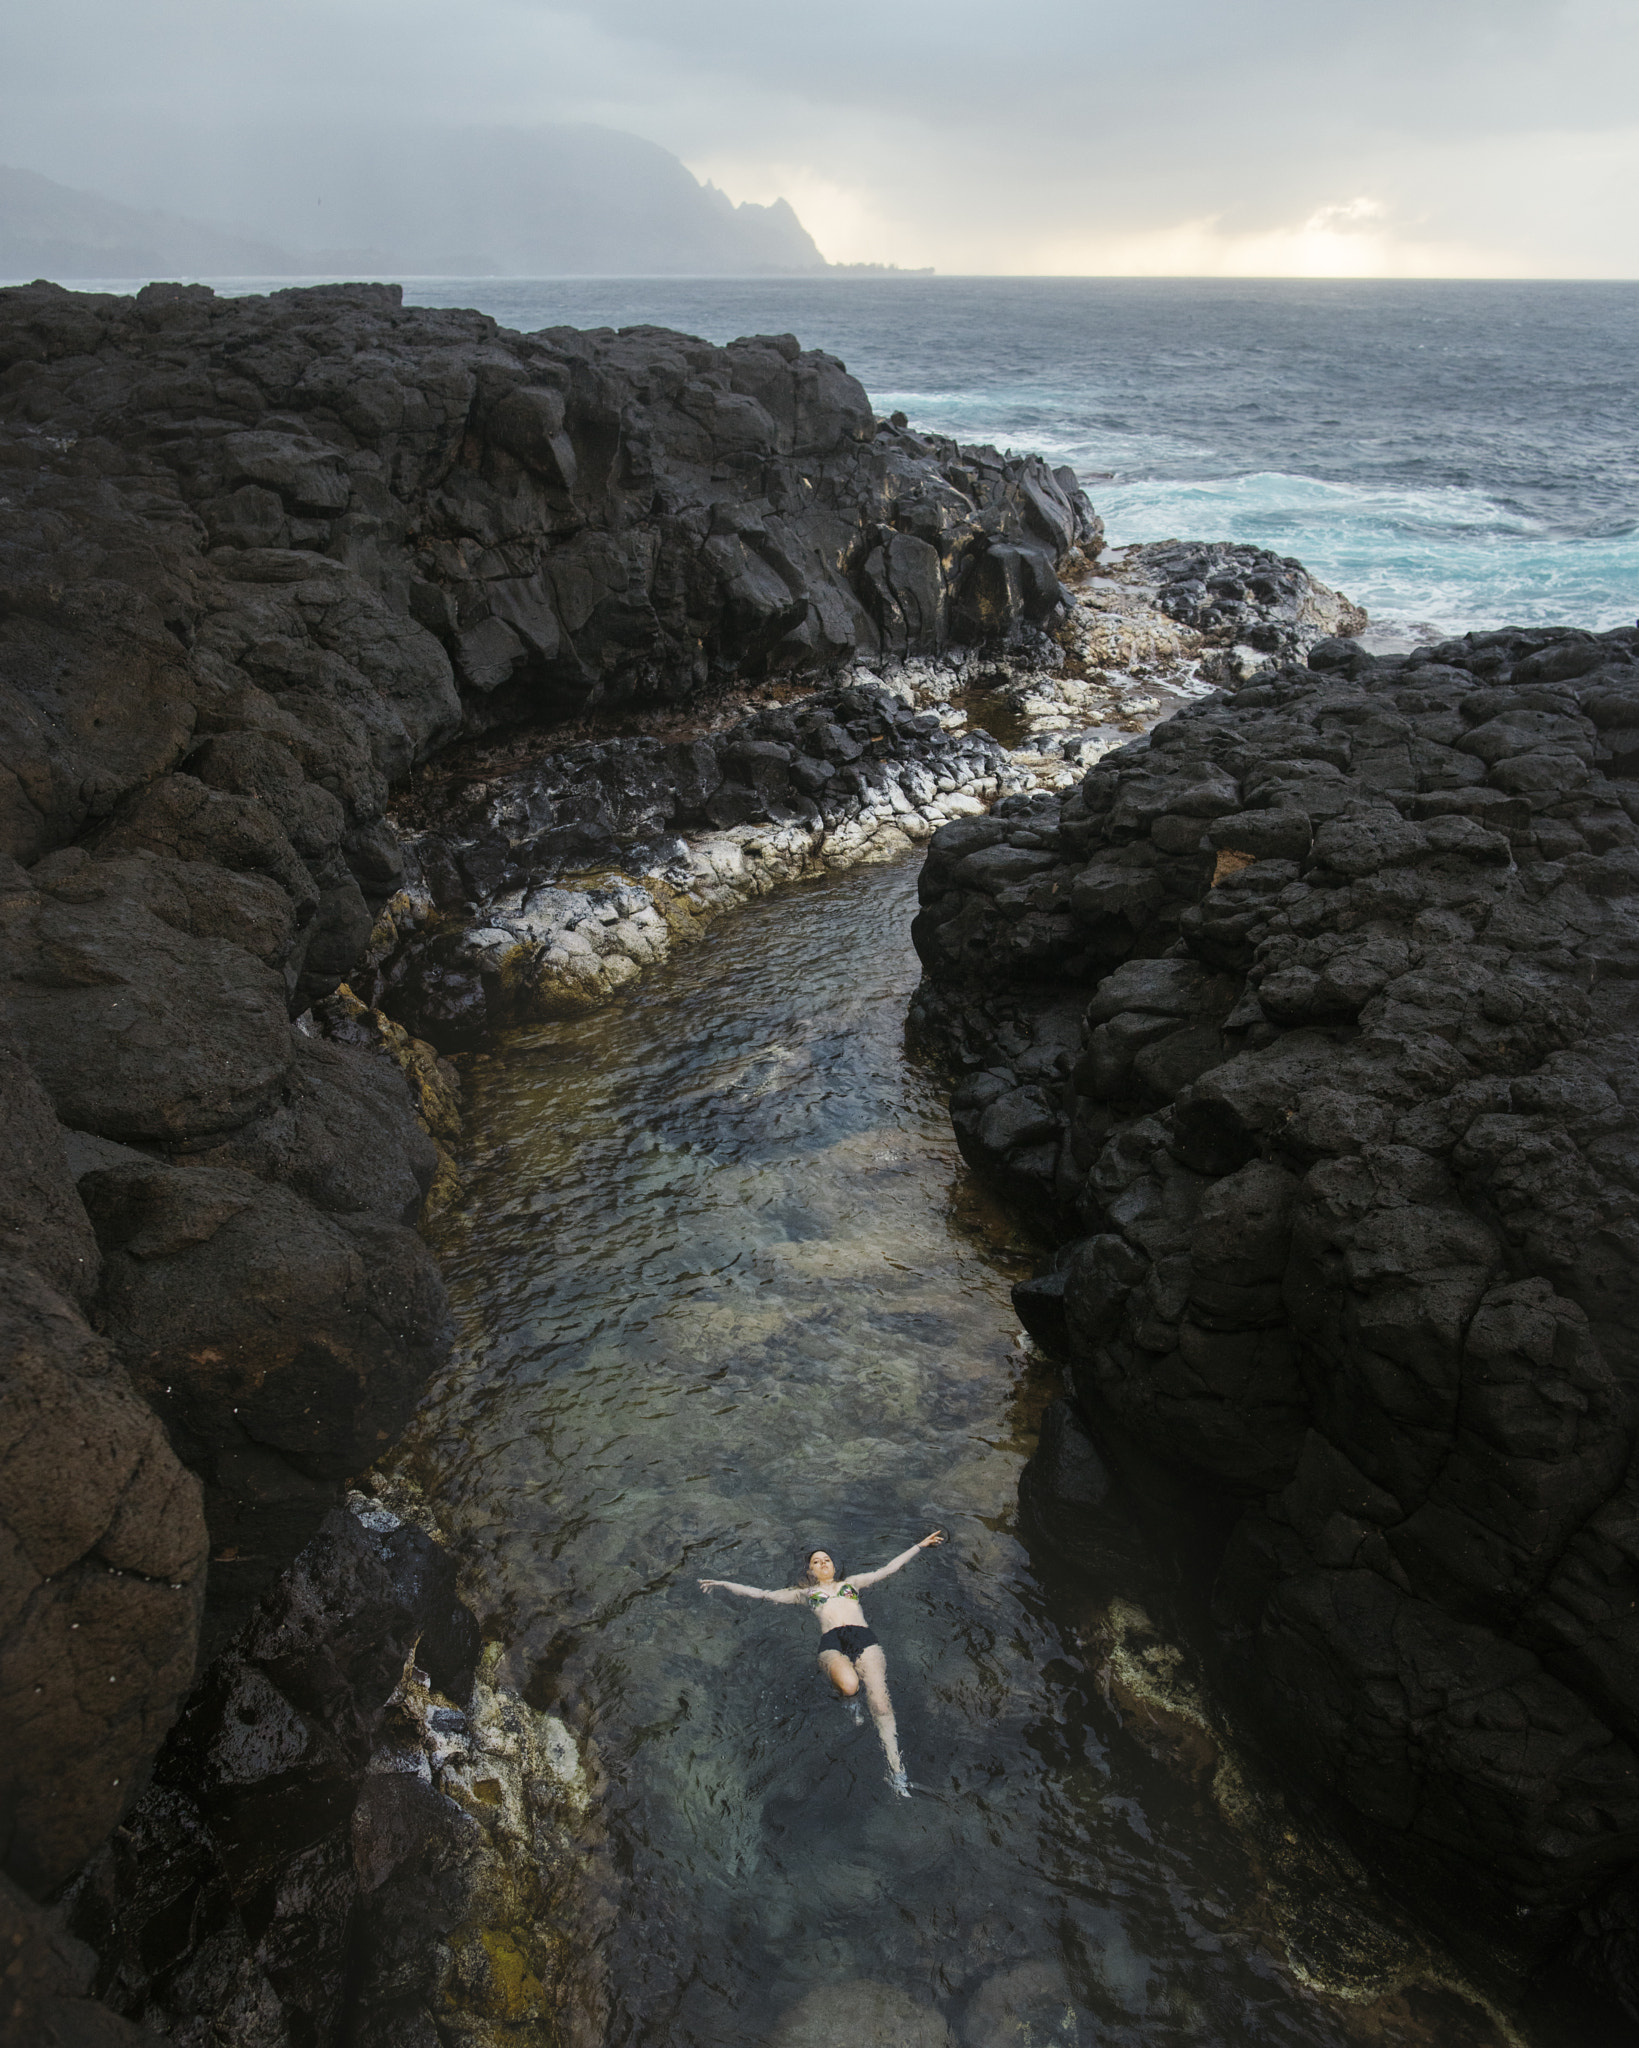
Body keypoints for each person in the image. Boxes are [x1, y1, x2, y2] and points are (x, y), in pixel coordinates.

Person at [699, 1531, 944, 1796]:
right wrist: (724, 1583)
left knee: (881, 1703)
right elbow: (762, 1594)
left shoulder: (852, 1584)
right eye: (816, 1561)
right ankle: (851, 1705)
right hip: (831, 1642)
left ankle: (896, 1770)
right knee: (850, 1686)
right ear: (810, 1570)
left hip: (863, 1637)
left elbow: (889, 1568)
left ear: (834, 1566)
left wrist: (919, 1545)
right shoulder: (805, 1594)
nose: (823, 1563)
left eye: (826, 1559)